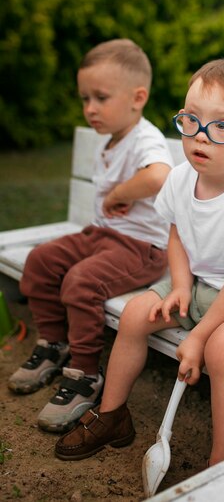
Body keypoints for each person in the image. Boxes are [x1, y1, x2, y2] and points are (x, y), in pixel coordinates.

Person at [54, 58, 224, 465]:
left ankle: (221, 462)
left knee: (223, 348)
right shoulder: (180, 177)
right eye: (191, 120)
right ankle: (112, 415)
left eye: (222, 127)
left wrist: (198, 337)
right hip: (203, 284)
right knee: (137, 313)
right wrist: (178, 286)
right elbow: (177, 234)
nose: (200, 138)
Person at [8, 39, 173, 434]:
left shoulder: (145, 138)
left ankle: (84, 373)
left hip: (141, 248)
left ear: (138, 98)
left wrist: (119, 193)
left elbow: (159, 176)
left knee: (81, 281)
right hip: (103, 236)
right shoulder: (113, 137)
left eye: (100, 97)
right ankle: (54, 344)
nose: (90, 108)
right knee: (41, 260)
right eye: (85, 98)